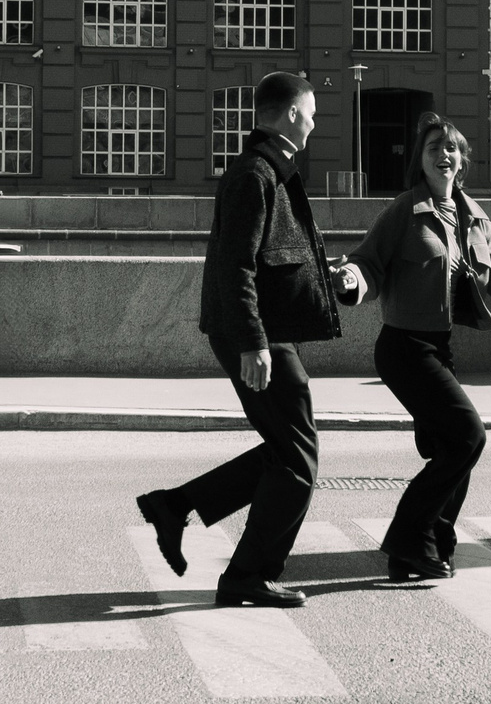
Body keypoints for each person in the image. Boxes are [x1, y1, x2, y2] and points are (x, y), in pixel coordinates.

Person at [136, 72, 347, 609]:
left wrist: (324, 274)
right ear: (293, 114)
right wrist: (254, 342)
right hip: (254, 336)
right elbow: (236, 266)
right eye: (313, 112)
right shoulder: (256, 174)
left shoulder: (267, 170)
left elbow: (271, 257)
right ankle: (248, 575)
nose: (316, 122)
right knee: (299, 459)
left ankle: (175, 506)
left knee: (286, 451)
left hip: (261, 332)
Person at [341, 111, 491, 584]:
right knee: (470, 437)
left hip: (439, 348)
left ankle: (429, 548)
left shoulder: (473, 218)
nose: (443, 155)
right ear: (420, 162)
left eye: (451, 148)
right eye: (433, 148)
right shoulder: (405, 211)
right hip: (403, 348)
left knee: (455, 450)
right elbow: (368, 263)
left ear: (462, 161)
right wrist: (351, 280)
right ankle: (410, 539)